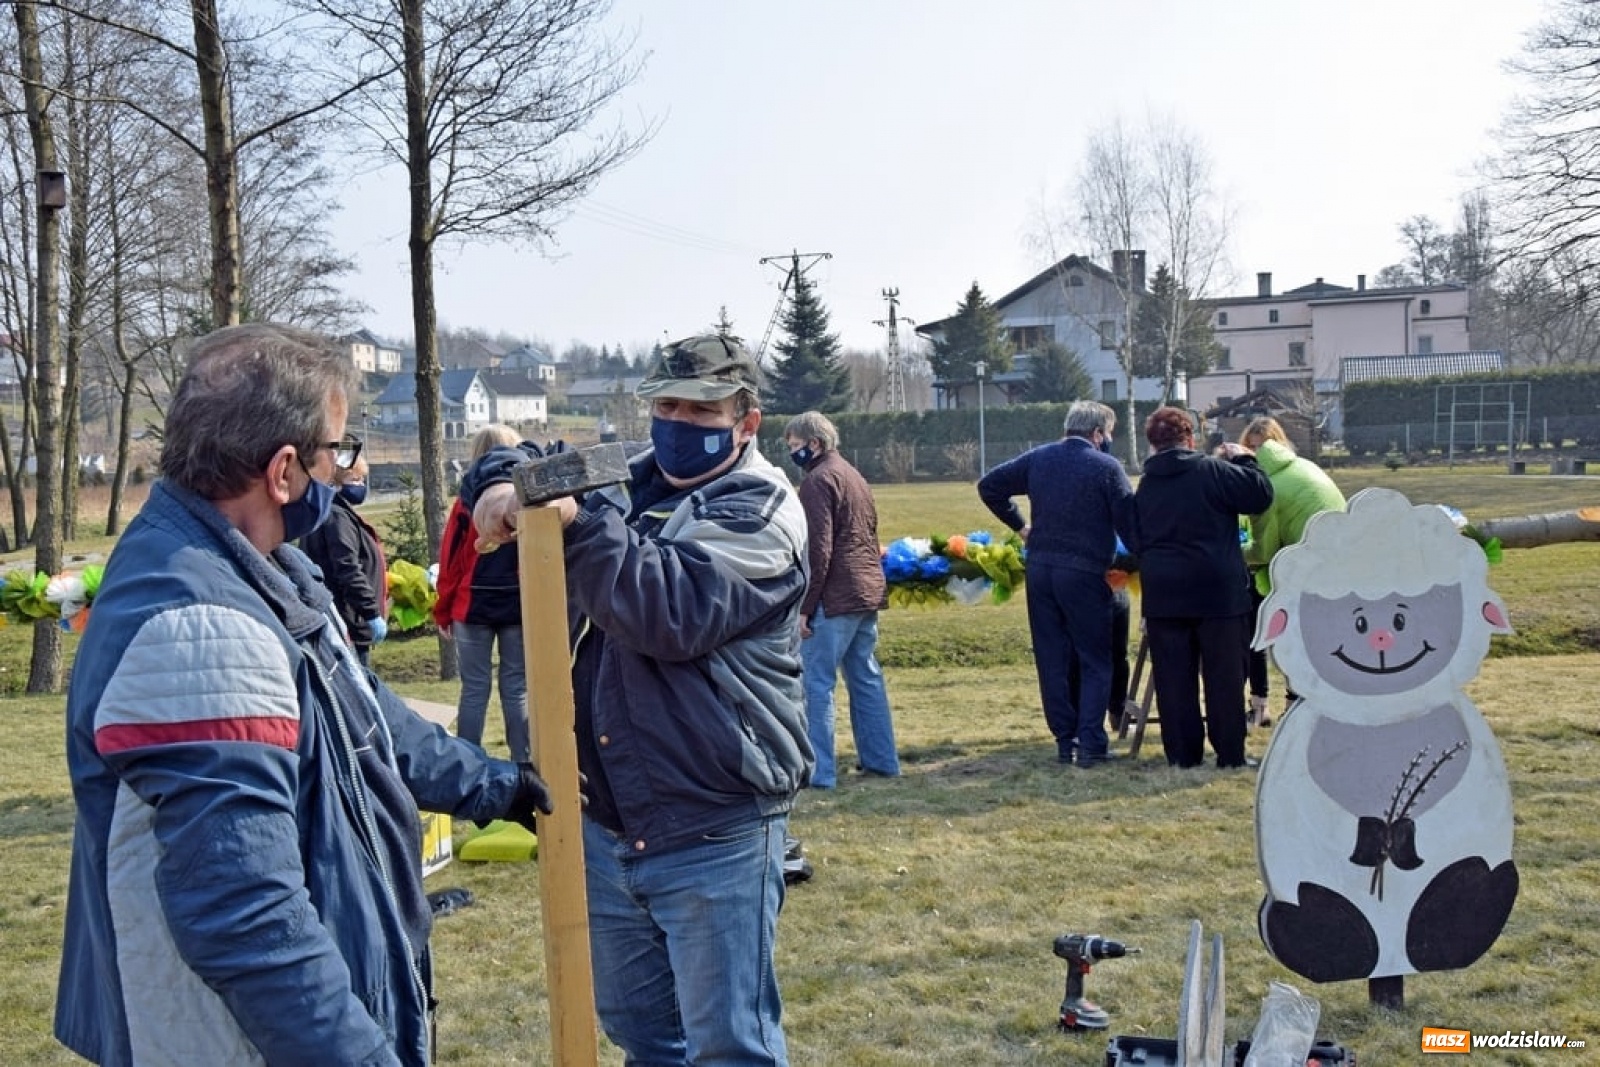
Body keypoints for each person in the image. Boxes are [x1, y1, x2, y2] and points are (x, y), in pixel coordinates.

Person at [56, 323, 554, 1066]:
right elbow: (247, 918)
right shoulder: (201, 629)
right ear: (284, 470)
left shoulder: (266, 569)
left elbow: (363, 715)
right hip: (235, 1042)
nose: (348, 468)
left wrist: (494, 785)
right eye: (339, 450)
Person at [467, 334, 812, 1066]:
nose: (678, 421)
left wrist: (578, 521)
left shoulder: (764, 511)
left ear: (747, 420)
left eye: (702, 407)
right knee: (647, 1038)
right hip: (606, 820)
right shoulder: (626, 472)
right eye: (665, 404)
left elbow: (664, 609)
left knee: (730, 1048)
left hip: (713, 822)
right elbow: (536, 460)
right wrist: (499, 480)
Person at [978, 400, 1134, 767]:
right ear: (1098, 433)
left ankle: (1066, 741)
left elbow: (990, 486)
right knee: (1095, 659)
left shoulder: (1039, 458)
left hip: (1041, 568)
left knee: (1053, 658)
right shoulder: (1107, 467)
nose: (1109, 439)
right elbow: (1130, 523)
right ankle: (1093, 742)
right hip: (1083, 571)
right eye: (1108, 433)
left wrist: (1021, 526)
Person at [1121, 406, 1273, 769]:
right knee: (1224, 677)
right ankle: (1230, 753)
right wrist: (1246, 461)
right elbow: (1260, 495)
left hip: (1165, 593)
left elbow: (1134, 535)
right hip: (1217, 591)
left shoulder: (1146, 485)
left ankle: (1183, 754)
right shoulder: (1214, 471)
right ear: (1190, 438)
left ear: (1153, 444)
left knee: (1174, 679)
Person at [783, 410, 900, 788]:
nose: (793, 453)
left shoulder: (817, 482)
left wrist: (805, 607)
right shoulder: (853, 475)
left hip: (834, 596)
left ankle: (820, 773)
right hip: (866, 590)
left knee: (816, 685)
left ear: (814, 444)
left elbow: (819, 550)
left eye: (795, 446)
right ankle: (882, 761)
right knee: (865, 677)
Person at [1238, 415, 1347, 727]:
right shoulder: (1305, 467)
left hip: (1303, 570)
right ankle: (1294, 702)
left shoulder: (1267, 485)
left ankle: (1259, 705)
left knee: (1257, 629)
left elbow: (1260, 550)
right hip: (1333, 565)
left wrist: (1236, 549)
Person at [433, 423, 531, 762]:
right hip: (518, 605)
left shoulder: (467, 501)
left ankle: (469, 764)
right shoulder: (527, 500)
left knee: (474, 689)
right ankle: (524, 762)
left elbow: (450, 561)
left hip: (472, 604)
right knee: (516, 688)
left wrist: (442, 610)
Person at [300, 453, 389, 667]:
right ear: (336, 482)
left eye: (362, 480)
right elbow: (347, 568)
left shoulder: (337, 513)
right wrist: (370, 612)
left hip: (349, 618)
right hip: (349, 619)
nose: (361, 486)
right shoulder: (337, 517)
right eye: (354, 480)